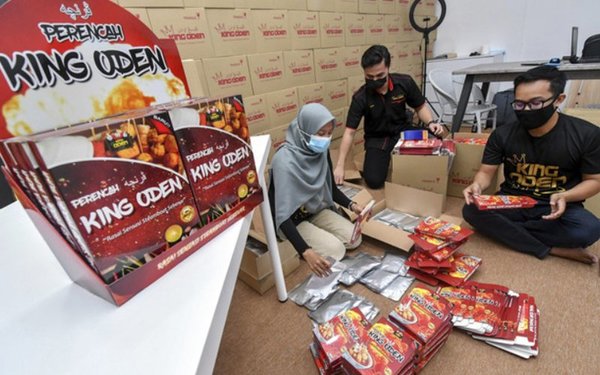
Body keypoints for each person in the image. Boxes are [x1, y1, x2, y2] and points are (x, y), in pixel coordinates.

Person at [462, 66, 600, 264]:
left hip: (556, 204)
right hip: (512, 201)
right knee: (471, 210)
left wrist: (565, 195)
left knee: (589, 229)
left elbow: (594, 181)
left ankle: (510, 232)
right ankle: (549, 248)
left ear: (559, 99)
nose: (526, 110)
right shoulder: (502, 134)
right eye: (519, 104)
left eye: (535, 103)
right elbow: (485, 172)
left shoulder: (587, 135)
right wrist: (477, 186)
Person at [269, 103, 365, 277]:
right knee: (337, 250)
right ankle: (300, 241)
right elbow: (281, 215)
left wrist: (352, 205)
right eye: (320, 134)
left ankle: (317, 233)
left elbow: (331, 188)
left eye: (329, 134)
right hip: (292, 221)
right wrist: (305, 251)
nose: (325, 139)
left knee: (355, 238)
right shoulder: (283, 161)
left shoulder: (319, 151)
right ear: (304, 130)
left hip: (315, 210)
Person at [334, 44, 444, 189]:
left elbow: (420, 106)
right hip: (378, 139)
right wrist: (340, 166)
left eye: (380, 76)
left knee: (436, 139)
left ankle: (403, 157)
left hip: (404, 132)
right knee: (373, 181)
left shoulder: (404, 83)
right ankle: (387, 158)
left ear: (388, 68)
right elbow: (349, 132)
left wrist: (431, 122)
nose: (375, 80)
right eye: (369, 77)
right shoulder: (360, 97)